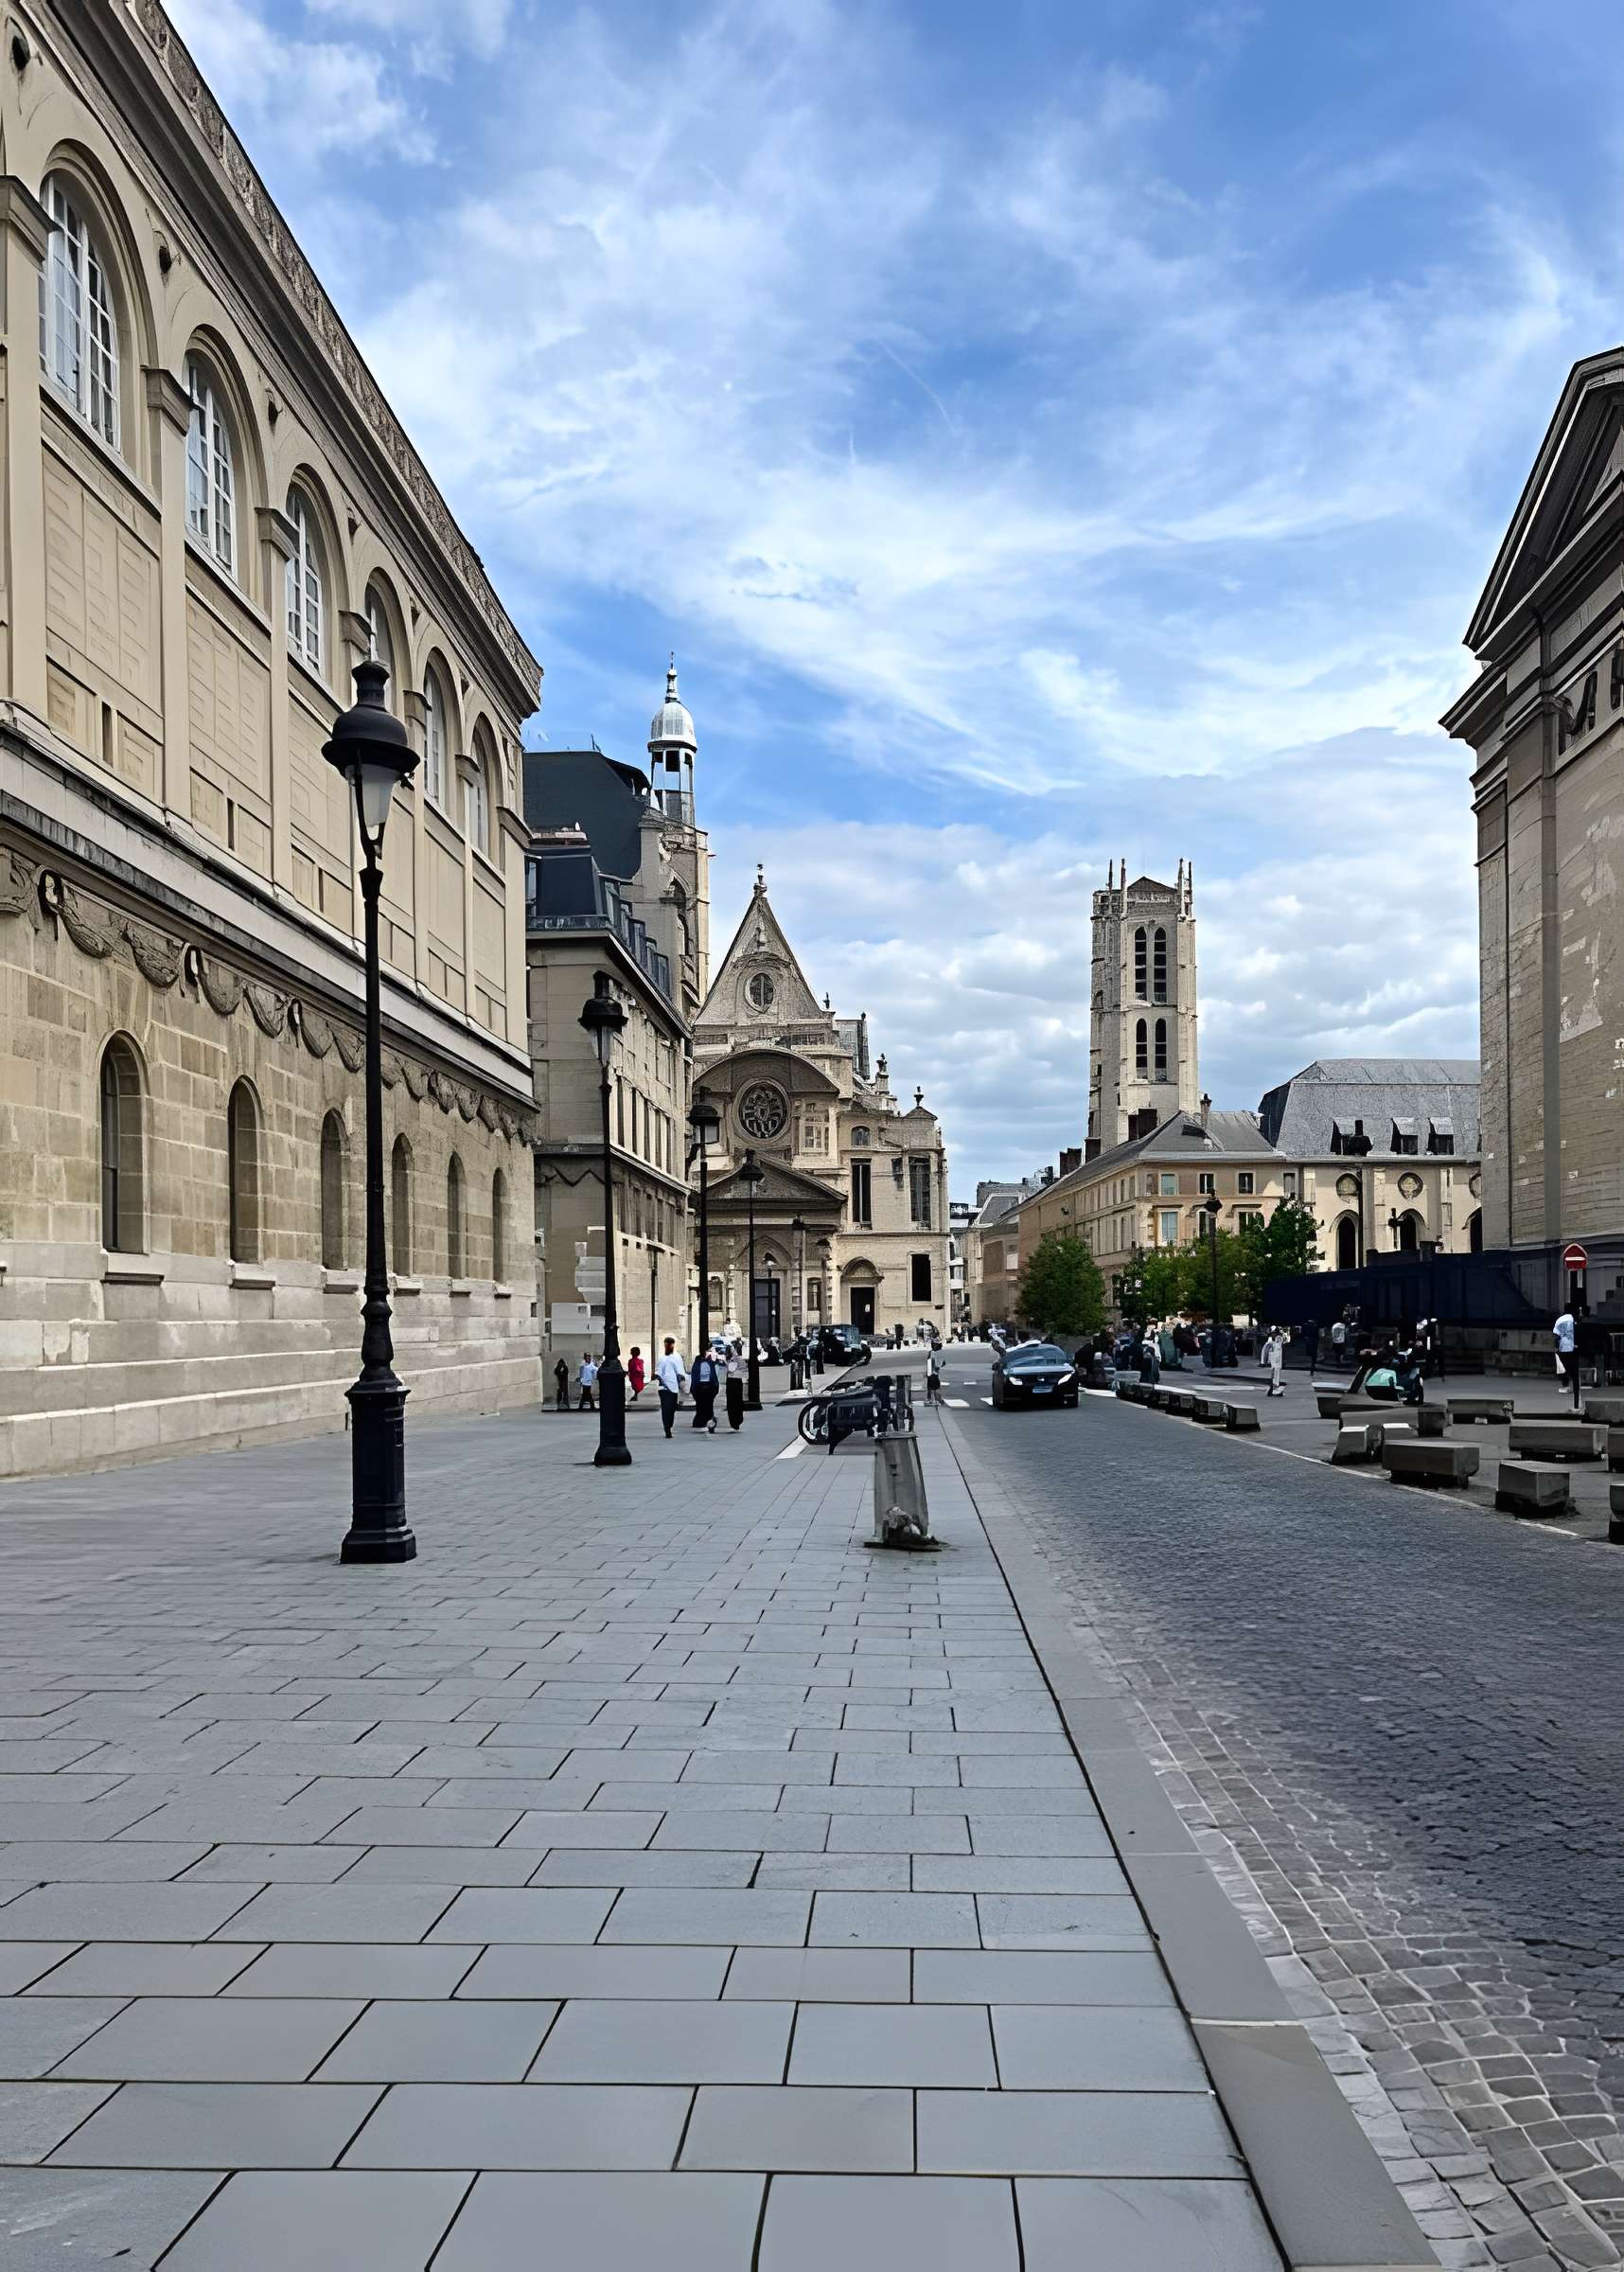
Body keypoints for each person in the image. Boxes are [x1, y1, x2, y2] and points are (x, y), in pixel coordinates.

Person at [654, 1338, 686, 1438]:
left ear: (673, 1345)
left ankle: (669, 1426)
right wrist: (660, 1379)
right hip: (663, 1389)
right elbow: (657, 1373)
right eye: (666, 1345)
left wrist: (680, 1382)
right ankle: (667, 1428)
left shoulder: (676, 1358)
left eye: (669, 1345)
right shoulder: (662, 1359)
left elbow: (680, 1373)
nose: (667, 1347)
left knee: (670, 1409)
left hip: (673, 1388)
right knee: (665, 1409)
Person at [690, 1343, 720, 1432]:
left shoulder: (710, 1363)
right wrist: (694, 1388)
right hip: (700, 1387)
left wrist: (715, 1385)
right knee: (700, 1405)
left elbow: (713, 1375)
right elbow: (694, 1376)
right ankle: (701, 1421)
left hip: (709, 1386)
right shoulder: (697, 1364)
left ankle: (709, 1421)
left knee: (709, 1405)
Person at [1554, 1305, 1579, 1406]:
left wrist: (1556, 1347)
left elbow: (1556, 1335)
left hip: (1562, 1346)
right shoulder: (1575, 1319)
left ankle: (1565, 1386)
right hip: (1573, 1346)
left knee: (1562, 1368)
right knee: (1574, 1367)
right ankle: (1576, 1386)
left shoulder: (1560, 1319)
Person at [725, 1339, 748, 1430]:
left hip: (732, 1381)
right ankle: (736, 1421)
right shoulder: (737, 1359)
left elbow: (730, 1369)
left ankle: (734, 1421)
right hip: (736, 1381)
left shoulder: (734, 1359)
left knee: (732, 1402)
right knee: (736, 1401)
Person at [1264, 1326, 1285, 1396]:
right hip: (1274, 1360)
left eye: (1274, 1333)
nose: (1272, 1334)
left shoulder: (1278, 1338)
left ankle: (1273, 1390)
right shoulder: (1272, 1339)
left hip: (1277, 1359)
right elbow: (1268, 1348)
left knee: (1275, 1375)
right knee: (1274, 1375)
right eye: (1272, 1333)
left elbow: (1277, 1348)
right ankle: (1272, 1390)